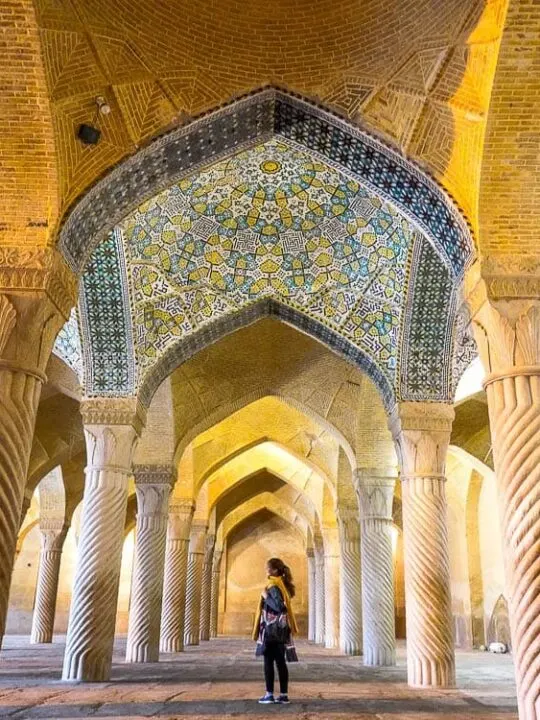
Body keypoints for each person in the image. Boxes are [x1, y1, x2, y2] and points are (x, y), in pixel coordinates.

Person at [252, 557, 299, 704]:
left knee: (269, 662)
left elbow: (279, 607)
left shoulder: (273, 585)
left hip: (272, 631)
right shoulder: (281, 584)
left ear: (275, 570)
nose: (266, 570)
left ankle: (269, 694)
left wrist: (266, 596)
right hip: (280, 630)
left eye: (269, 568)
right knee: (280, 662)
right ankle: (283, 695)